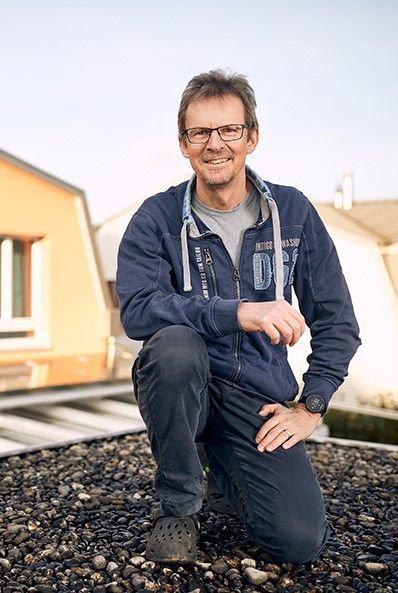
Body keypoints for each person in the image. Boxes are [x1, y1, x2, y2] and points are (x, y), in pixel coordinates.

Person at [116, 68, 360, 565]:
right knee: (174, 349)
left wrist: (311, 405)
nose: (215, 144)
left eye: (229, 130)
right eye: (200, 132)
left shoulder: (292, 211)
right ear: (183, 144)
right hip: (189, 383)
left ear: (251, 137)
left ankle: (225, 467)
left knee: (297, 543)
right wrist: (238, 312)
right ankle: (179, 507)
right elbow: (139, 310)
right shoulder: (156, 218)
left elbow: (337, 319)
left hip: (258, 395)